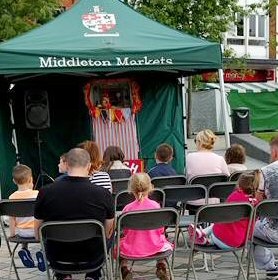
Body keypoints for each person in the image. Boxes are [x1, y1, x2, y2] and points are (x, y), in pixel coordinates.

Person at [34, 148, 115, 280]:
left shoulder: (45, 192)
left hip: (58, 256)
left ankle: (63, 275)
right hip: (93, 256)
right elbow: (108, 231)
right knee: (111, 232)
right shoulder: (103, 193)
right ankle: (93, 275)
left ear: (67, 165)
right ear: (89, 166)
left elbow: (37, 232)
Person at [119, 173, 173, 280]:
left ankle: (124, 268)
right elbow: (161, 230)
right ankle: (161, 265)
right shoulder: (156, 206)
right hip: (154, 247)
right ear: (150, 187)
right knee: (164, 240)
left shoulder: (127, 209)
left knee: (117, 246)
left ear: (131, 189)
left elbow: (125, 231)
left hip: (132, 248)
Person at [188, 170, 259, 248]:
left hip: (219, 237)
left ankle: (203, 234)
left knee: (218, 222)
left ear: (239, 183)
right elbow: (252, 227)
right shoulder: (256, 203)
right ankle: (207, 239)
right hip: (237, 243)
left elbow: (223, 216)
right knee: (228, 225)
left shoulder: (235, 195)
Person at [8, 164, 44, 270]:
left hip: (22, 233)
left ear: (14, 181)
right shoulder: (37, 194)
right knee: (43, 227)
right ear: (31, 179)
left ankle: (24, 249)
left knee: (22, 228)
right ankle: (42, 252)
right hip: (38, 232)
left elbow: (12, 219)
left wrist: (12, 234)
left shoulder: (11, 198)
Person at [252, 135, 278, 278]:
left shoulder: (266, 171)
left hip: (273, 231)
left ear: (274, 152)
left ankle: (270, 266)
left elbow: (258, 203)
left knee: (248, 227)